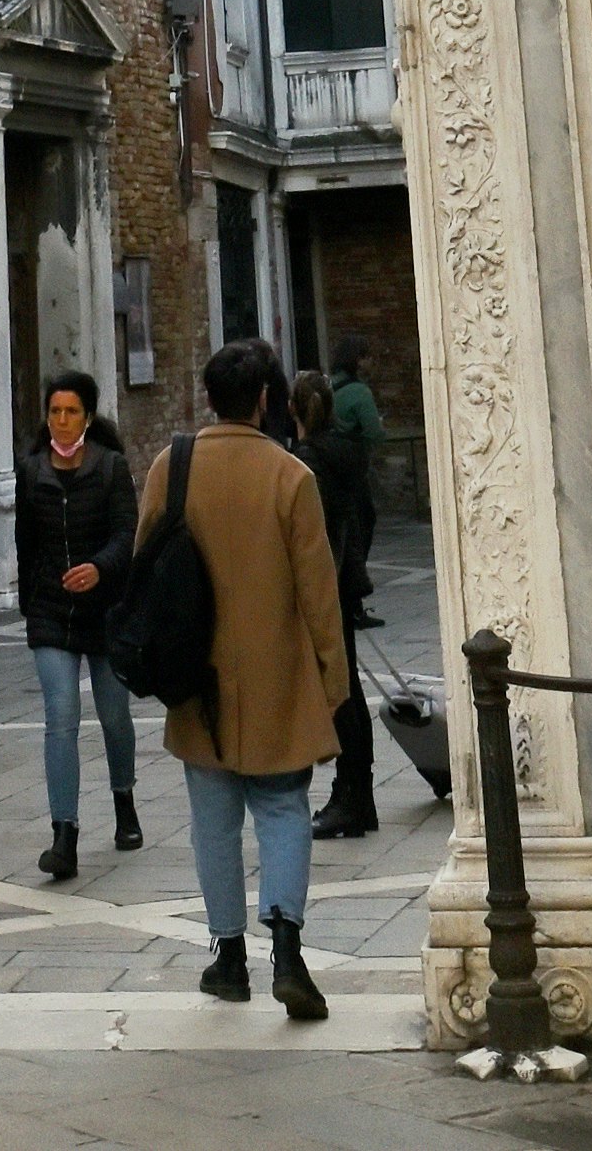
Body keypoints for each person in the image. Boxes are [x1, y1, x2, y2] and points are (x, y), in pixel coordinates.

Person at [133, 339, 351, 1022]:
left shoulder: (172, 467)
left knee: (213, 822)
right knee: (284, 811)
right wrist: (332, 682)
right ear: (265, 399)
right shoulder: (290, 477)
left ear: (209, 398)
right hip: (277, 674)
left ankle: (228, 956)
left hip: (196, 673)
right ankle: (285, 947)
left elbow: (145, 562)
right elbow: (321, 594)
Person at [16, 370, 141, 877]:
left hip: (106, 609)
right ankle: (63, 834)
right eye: (54, 413)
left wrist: (101, 569)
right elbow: (26, 544)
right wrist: (31, 603)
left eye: (71, 413)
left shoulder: (111, 469)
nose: (61, 422)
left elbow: (127, 535)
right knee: (61, 717)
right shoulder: (30, 473)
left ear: (87, 417)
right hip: (52, 612)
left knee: (114, 715)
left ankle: (124, 802)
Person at [296, 368, 382, 838]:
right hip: (346, 580)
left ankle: (350, 796)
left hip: (325, 585)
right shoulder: (348, 456)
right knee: (348, 691)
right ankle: (358, 795)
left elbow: (311, 529)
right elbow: (367, 514)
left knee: (339, 694)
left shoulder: (306, 461)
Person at [324, 341, 385, 624]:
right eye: (369, 357)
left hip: (324, 468)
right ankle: (353, 601)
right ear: (358, 359)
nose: (373, 364)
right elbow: (374, 433)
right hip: (351, 469)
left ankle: (339, 598)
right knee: (362, 526)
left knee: (336, 532)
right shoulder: (359, 392)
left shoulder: (325, 387)